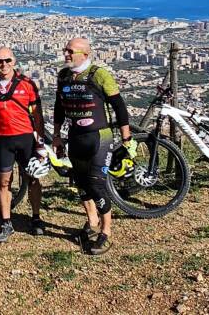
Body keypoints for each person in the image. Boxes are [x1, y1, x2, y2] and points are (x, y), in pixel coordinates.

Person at [52, 37, 136, 255]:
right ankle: (91, 222)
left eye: (70, 51)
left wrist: (126, 137)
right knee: (80, 183)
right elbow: (59, 107)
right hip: (75, 136)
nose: (66, 54)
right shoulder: (63, 76)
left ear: (85, 55)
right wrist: (56, 136)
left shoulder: (99, 74)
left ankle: (106, 232)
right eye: (65, 50)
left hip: (99, 137)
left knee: (96, 184)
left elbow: (118, 105)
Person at [0, 46, 47, 243]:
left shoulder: (27, 84)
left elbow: (37, 115)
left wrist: (41, 143)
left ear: (14, 61)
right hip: (4, 140)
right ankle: (6, 222)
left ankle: (36, 218)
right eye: (0, 61)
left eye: (7, 60)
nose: (4, 64)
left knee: (32, 179)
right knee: (4, 182)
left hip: (26, 138)